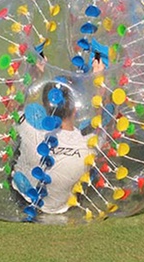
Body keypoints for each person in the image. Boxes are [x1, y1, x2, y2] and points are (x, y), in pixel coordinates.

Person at [11, 80, 91, 215]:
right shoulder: (88, 144)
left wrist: (35, 74)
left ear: (45, 106)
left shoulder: (28, 126)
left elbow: (14, 105)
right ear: (75, 110)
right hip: (64, 206)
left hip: (22, 199)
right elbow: (108, 121)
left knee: (18, 145)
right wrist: (100, 80)